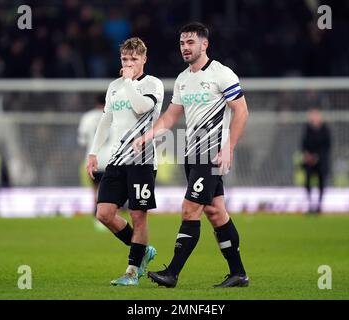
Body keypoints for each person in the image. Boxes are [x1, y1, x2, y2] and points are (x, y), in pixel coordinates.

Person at [133, 22, 250, 288]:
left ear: (204, 44)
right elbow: (170, 117)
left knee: (189, 209)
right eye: (182, 43)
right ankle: (239, 274)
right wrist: (147, 136)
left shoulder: (222, 74)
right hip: (192, 155)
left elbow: (242, 111)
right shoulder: (183, 79)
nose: (185, 48)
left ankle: (172, 273)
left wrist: (228, 147)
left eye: (191, 43)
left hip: (211, 155)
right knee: (216, 213)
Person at [86, 37, 164, 286]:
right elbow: (105, 120)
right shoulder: (114, 86)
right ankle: (143, 250)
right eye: (124, 59)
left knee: (138, 215)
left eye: (133, 59)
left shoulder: (153, 84)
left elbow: (141, 108)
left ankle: (132, 271)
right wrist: (93, 152)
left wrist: (129, 81)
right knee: (104, 213)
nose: (128, 63)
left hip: (142, 160)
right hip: (117, 160)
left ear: (144, 59)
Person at [77, 94, 114, 228]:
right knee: (110, 191)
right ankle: (108, 216)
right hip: (111, 159)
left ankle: (98, 216)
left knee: (95, 190)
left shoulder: (87, 117)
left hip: (93, 159)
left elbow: (82, 141)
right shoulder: (115, 115)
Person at [301, 108, 331, 214]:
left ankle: (319, 205)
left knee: (321, 181)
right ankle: (310, 204)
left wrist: (317, 157)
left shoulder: (325, 130)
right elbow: (303, 144)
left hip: (321, 161)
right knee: (307, 181)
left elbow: (327, 146)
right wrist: (307, 155)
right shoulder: (307, 130)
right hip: (310, 161)